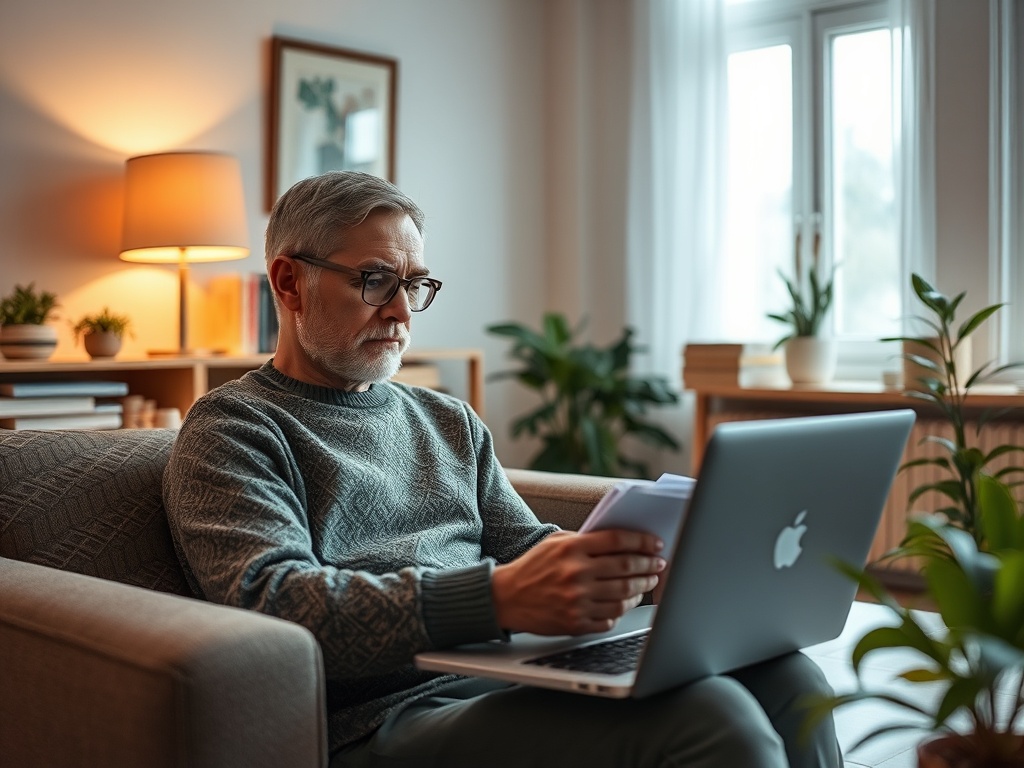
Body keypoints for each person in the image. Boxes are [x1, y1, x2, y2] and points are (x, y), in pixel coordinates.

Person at [163, 170, 842, 768]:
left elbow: (525, 545)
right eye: (375, 281)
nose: (401, 312)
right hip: (382, 721)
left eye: (415, 284)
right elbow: (271, 605)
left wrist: (622, 564)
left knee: (790, 680)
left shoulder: (446, 420)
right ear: (289, 282)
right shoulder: (236, 427)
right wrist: (497, 598)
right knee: (710, 717)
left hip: (517, 677)